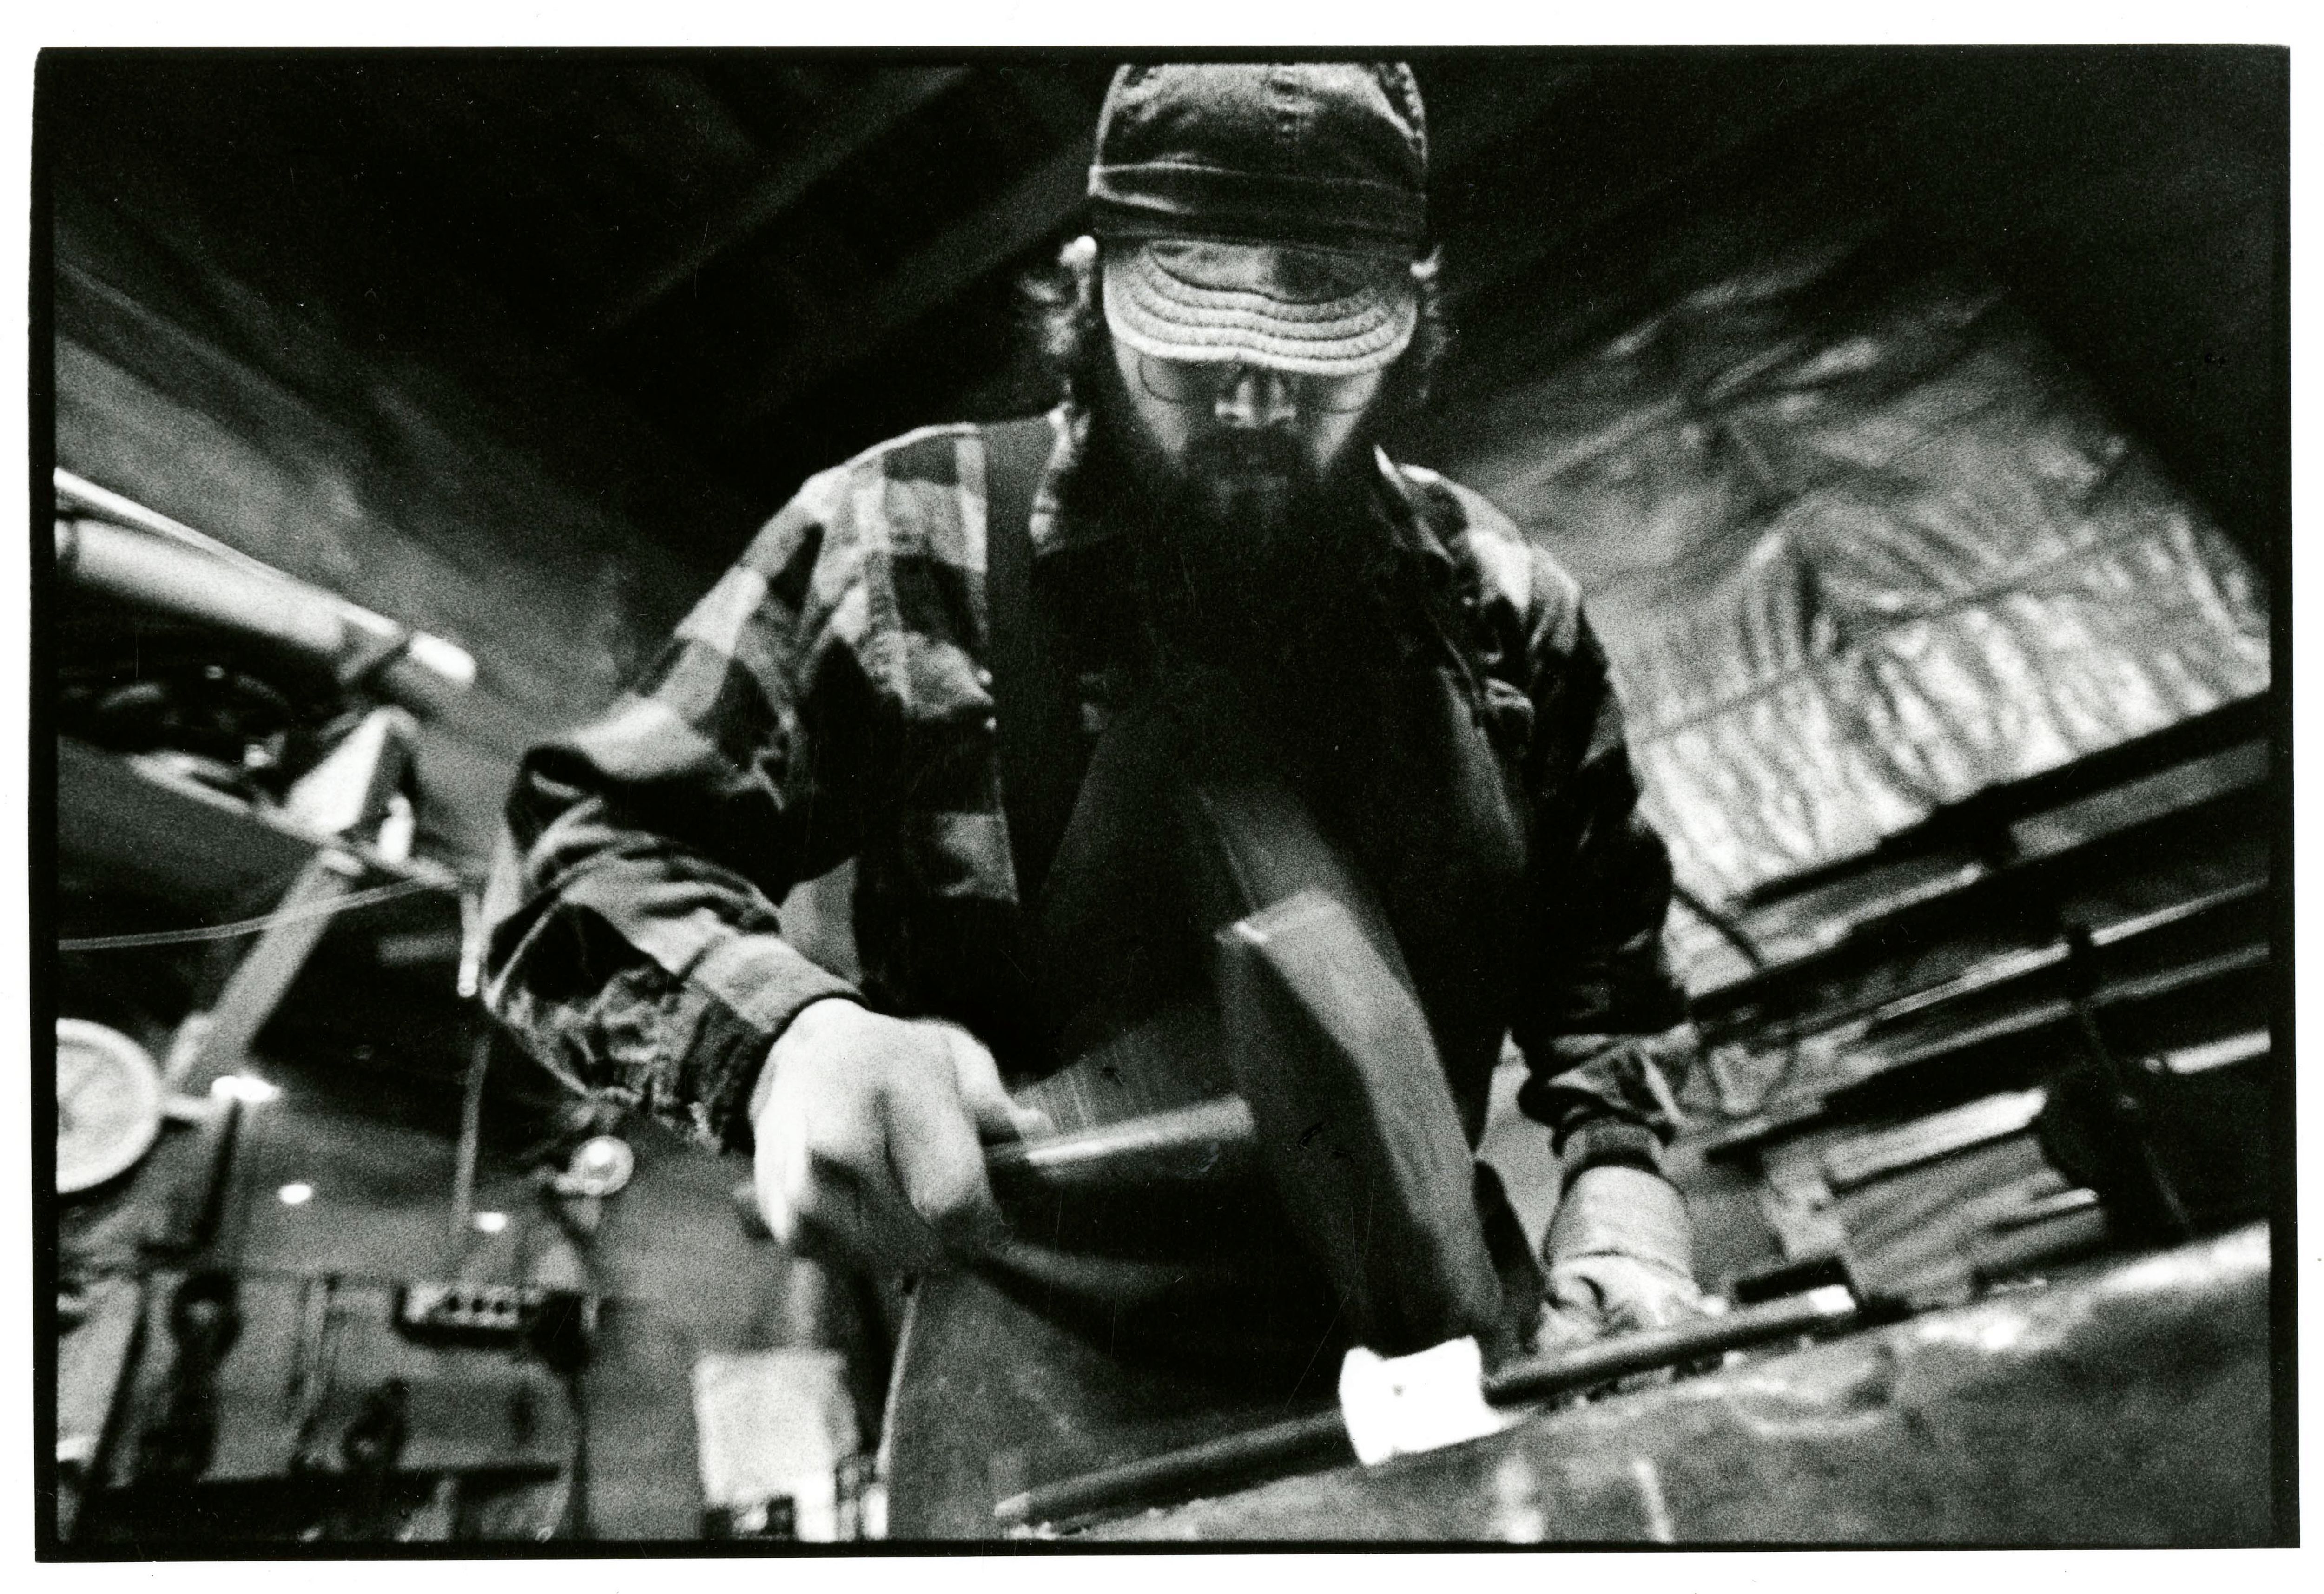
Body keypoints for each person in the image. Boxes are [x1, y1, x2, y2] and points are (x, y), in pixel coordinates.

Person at [482, 60, 1703, 1511]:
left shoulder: (1505, 606)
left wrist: (1623, 1178)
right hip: (1049, 1390)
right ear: (1091, 291)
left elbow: (1605, 962)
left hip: (1444, 1335)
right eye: (1194, 348)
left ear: (1413, 323)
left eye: (1318, 356)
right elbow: (576, 846)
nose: (1254, 404)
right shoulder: (901, 536)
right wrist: (782, 1042)